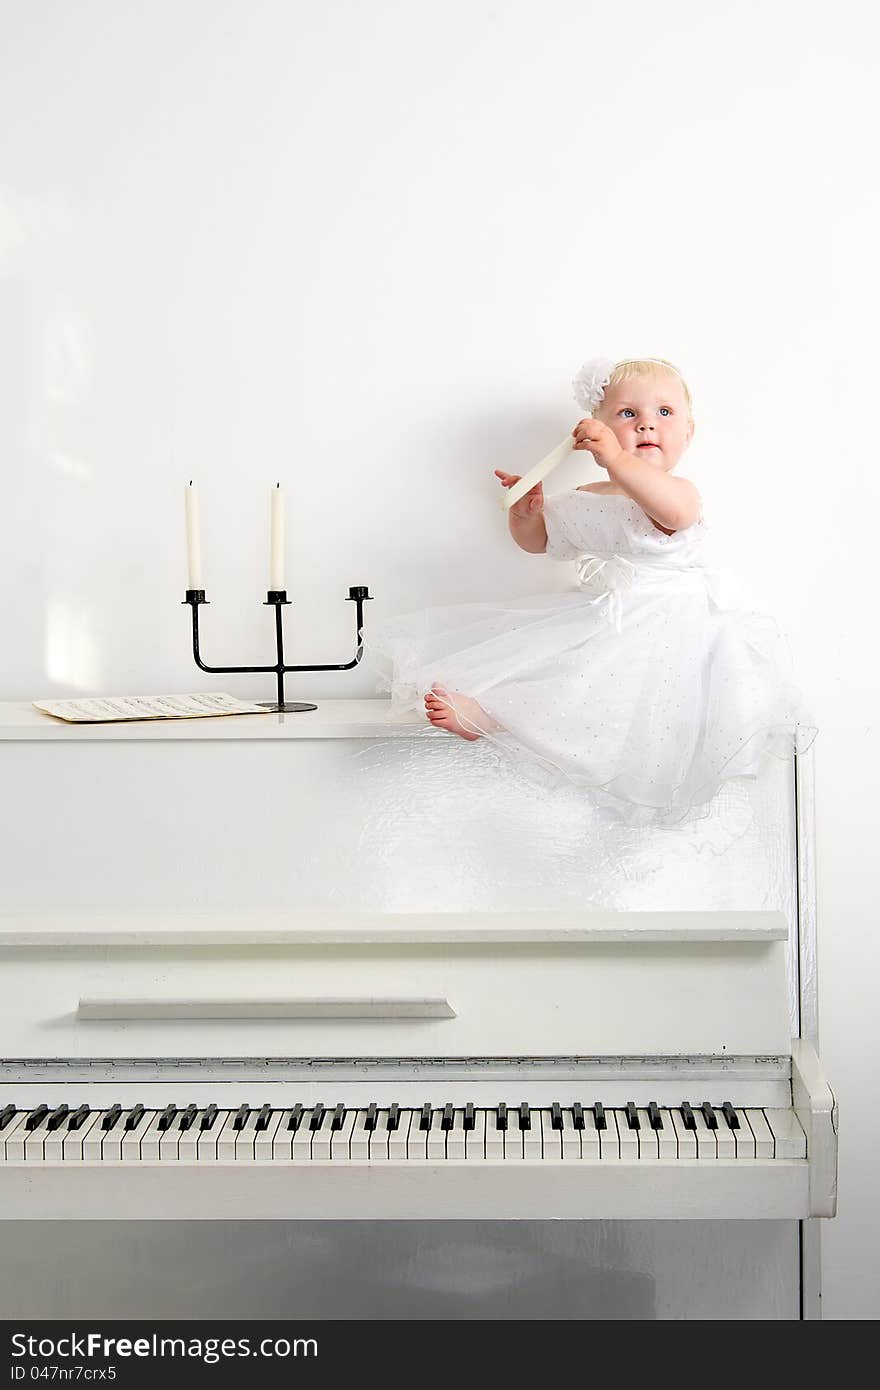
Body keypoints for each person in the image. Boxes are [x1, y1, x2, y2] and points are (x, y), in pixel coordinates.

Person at [365, 356, 816, 824]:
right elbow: (541, 542)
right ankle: (489, 715)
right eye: (628, 415)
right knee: (562, 673)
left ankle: (627, 785)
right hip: (613, 615)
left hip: (678, 630)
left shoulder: (678, 490)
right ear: (597, 428)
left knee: (618, 696)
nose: (647, 425)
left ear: (688, 433)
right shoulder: (592, 497)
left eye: (664, 413)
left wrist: (616, 460)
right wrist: (527, 513)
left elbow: (673, 514)